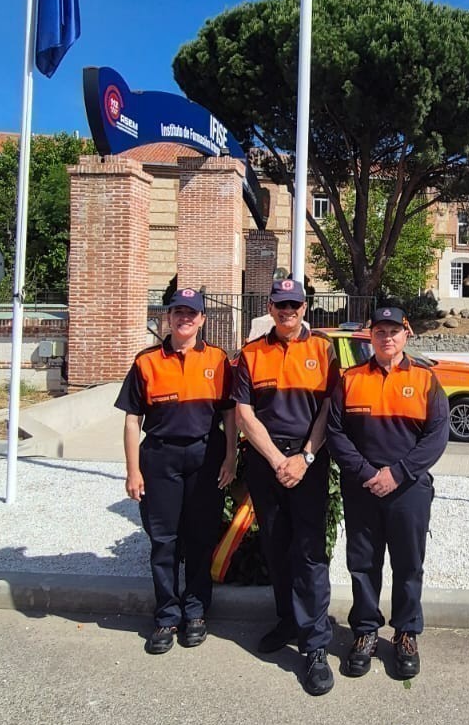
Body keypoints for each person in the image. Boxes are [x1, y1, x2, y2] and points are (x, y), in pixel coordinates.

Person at [327, 305, 449, 680]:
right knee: (363, 564)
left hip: (408, 489)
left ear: (405, 334)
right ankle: (365, 631)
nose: (387, 338)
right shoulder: (350, 379)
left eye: (394, 331)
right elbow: (335, 433)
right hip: (362, 488)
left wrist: (397, 474)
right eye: (380, 331)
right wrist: (367, 473)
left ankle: (406, 632)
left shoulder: (426, 380)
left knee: (408, 564)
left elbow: (437, 436)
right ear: (371, 336)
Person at [232, 278, 339, 696]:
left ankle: (314, 645)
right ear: (270, 307)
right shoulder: (251, 353)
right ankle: (288, 620)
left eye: (294, 304)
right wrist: (278, 460)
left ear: (304, 308)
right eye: (281, 304)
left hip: (309, 460)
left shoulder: (323, 349)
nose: (287, 311)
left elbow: (329, 408)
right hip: (267, 462)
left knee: (309, 553)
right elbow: (244, 413)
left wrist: (305, 458)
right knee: (276, 545)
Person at [115, 288, 237, 656]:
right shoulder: (147, 361)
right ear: (169, 317)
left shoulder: (218, 360)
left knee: (200, 538)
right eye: (178, 312)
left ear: (202, 319)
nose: (185, 318)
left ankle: (196, 612)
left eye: (191, 313)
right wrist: (133, 471)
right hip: (160, 457)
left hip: (205, 456)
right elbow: (132, 420)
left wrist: (230, 457)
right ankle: (167, 615)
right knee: (163, 541)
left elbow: (230, 413)